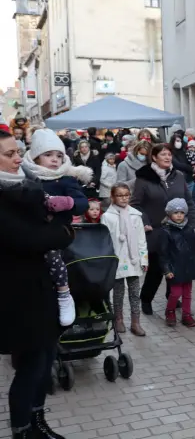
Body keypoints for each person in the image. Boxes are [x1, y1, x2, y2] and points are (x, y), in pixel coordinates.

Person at [0, 129, 75, 439]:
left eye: (18, 151)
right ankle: (22, 430)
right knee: (31, 365)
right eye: (9, 154)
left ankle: (38, 422)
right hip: (16, 295)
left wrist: (57, 231)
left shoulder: (28, 186)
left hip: (42, 287)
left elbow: (58, 223)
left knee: (45, 360)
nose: (18, 158)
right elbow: (29, 239)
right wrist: (62, 233)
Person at [22, 128, 93, 327]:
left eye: (59, 155)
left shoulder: (66, 179)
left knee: (52, 254)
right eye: (48, 155)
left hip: (57, 232)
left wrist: (68, 202)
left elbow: (82, 203)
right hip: (30, 231)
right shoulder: (25, 177)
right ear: (36, 157)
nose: (55, 159)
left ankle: (64, 294)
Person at [132, 143, 195, 316]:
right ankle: (146, 299)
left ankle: (172, 296)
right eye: (163, 154)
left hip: (178, 231)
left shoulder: (179, 176)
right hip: (155, 232)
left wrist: (193, 225)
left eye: (169, 154)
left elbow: (189, 202)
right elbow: (135, 204)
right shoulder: (144, 178)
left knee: (176, 266)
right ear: (154, 157)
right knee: (156, 270)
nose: (168, 157)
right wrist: (145, 221)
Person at [101, 183, 148, 336]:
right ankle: (118, 319)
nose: (124, 198)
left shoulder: (135, 215)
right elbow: (105, 241)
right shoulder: (107, 217)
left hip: (133, 259)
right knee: (118, 292)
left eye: (126, 195)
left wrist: (144, 259)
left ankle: (135, 322)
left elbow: (141, 239)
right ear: (112, 197)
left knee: (134, 292)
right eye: (120, 195)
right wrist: (108, 261)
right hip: (117, 260)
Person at [160, 198, 195, 328]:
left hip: (189, 266)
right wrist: (167, 270)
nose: (179, 215)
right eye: (175, 212)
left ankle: (186, 314)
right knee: (175, 293)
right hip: (175, 268)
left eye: (181, 212)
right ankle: (170, 311)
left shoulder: (189, 229)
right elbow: (163, 254)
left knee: (187, 293)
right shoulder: (166, 231)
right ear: (169, 214)